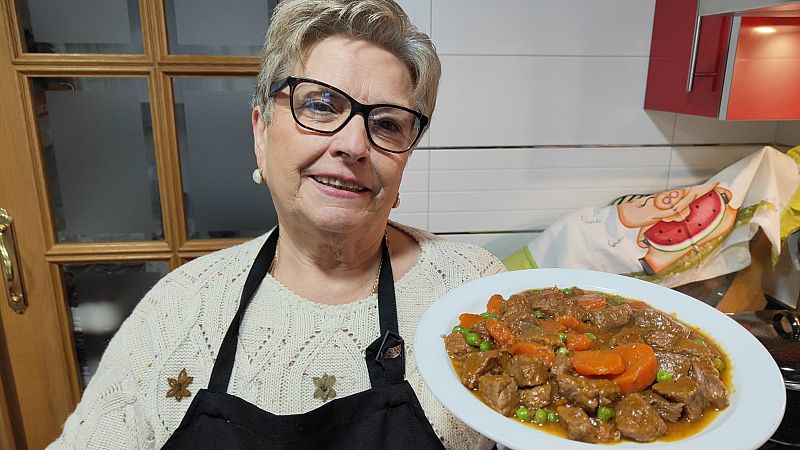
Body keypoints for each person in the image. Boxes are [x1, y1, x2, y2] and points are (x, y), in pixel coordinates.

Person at [48, 0, 505, 448]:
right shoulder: (178, 310)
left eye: (386, 124)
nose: (353, 145)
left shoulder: (474, 290)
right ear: (261, 135)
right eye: (321, 105)